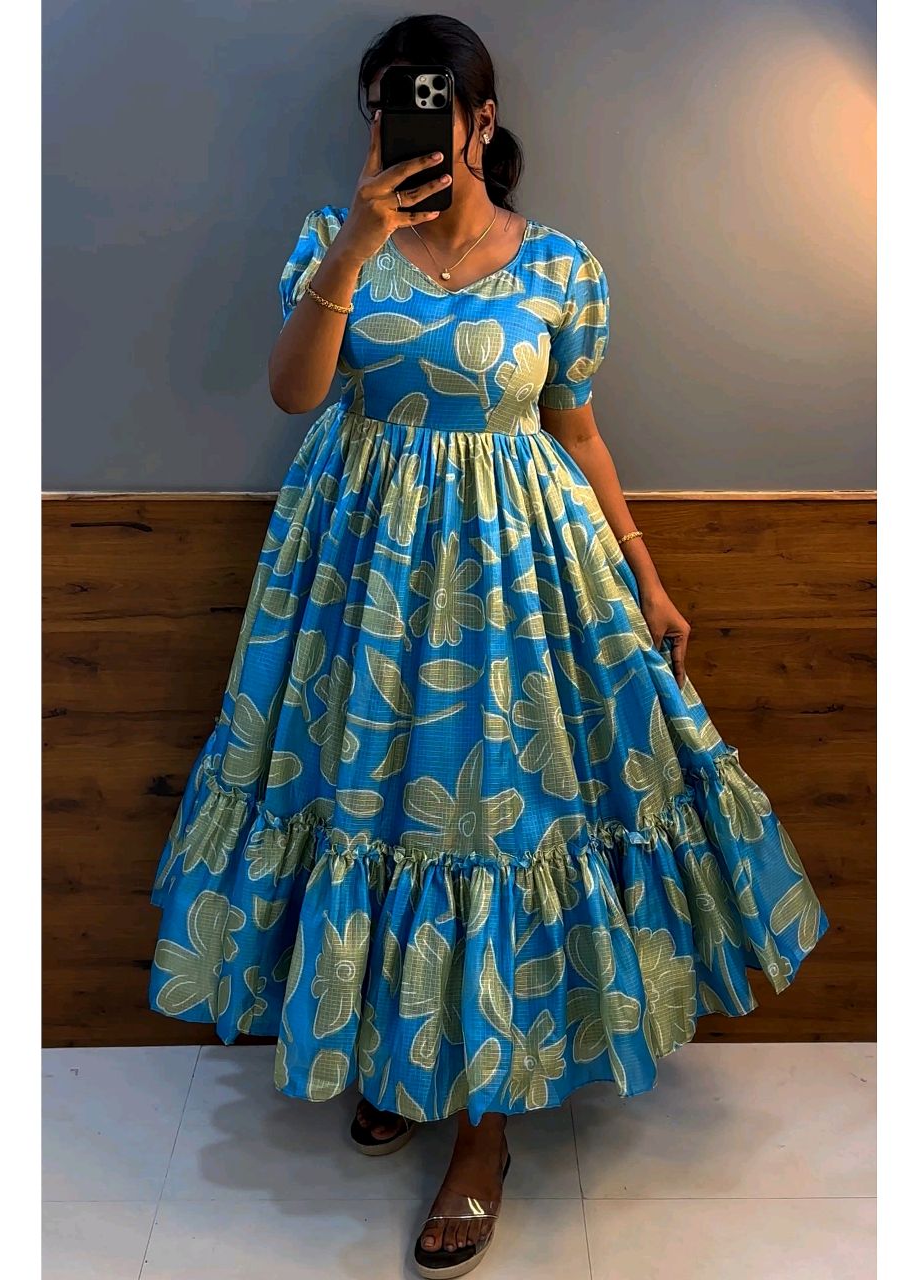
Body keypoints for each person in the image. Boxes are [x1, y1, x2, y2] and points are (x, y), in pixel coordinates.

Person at [147, 14, 830, 1277]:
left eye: (422, 103)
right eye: (379, 107)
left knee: (492, 819)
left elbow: (576, 425)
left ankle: (484, 1132)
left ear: (481, 119)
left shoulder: (560, 266)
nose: (396, 125)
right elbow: (296, 391)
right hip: (357, 581)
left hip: (520, 586)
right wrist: (356, 240)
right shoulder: (334, 240)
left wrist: (647, 571)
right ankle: (402, 1059)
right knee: (370, 803)